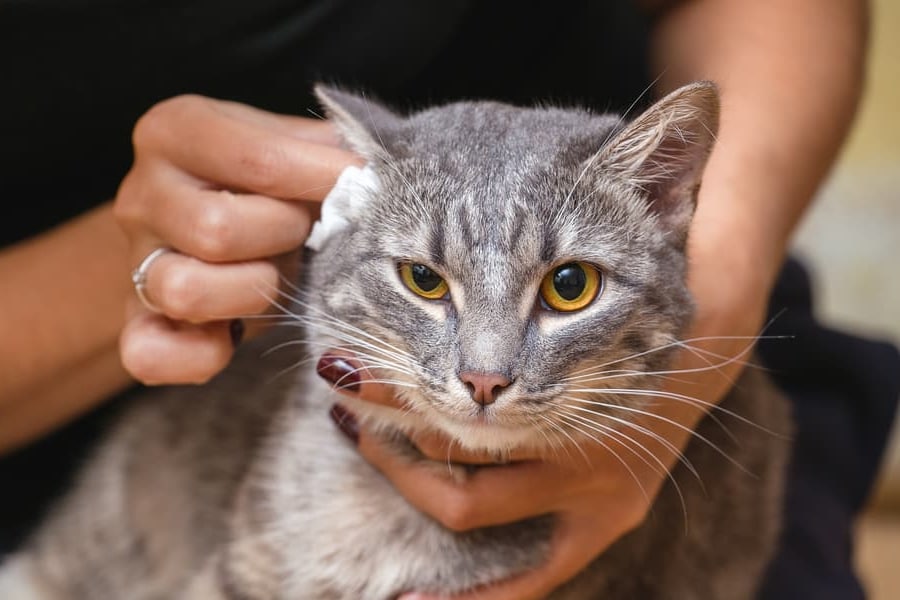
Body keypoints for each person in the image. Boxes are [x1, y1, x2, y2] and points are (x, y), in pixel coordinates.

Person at [1, 1, 897, 599]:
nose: (485, 372)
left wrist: (721, 287)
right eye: (429, 282)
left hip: (690, 325)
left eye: (566, 289)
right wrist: (172, 258)